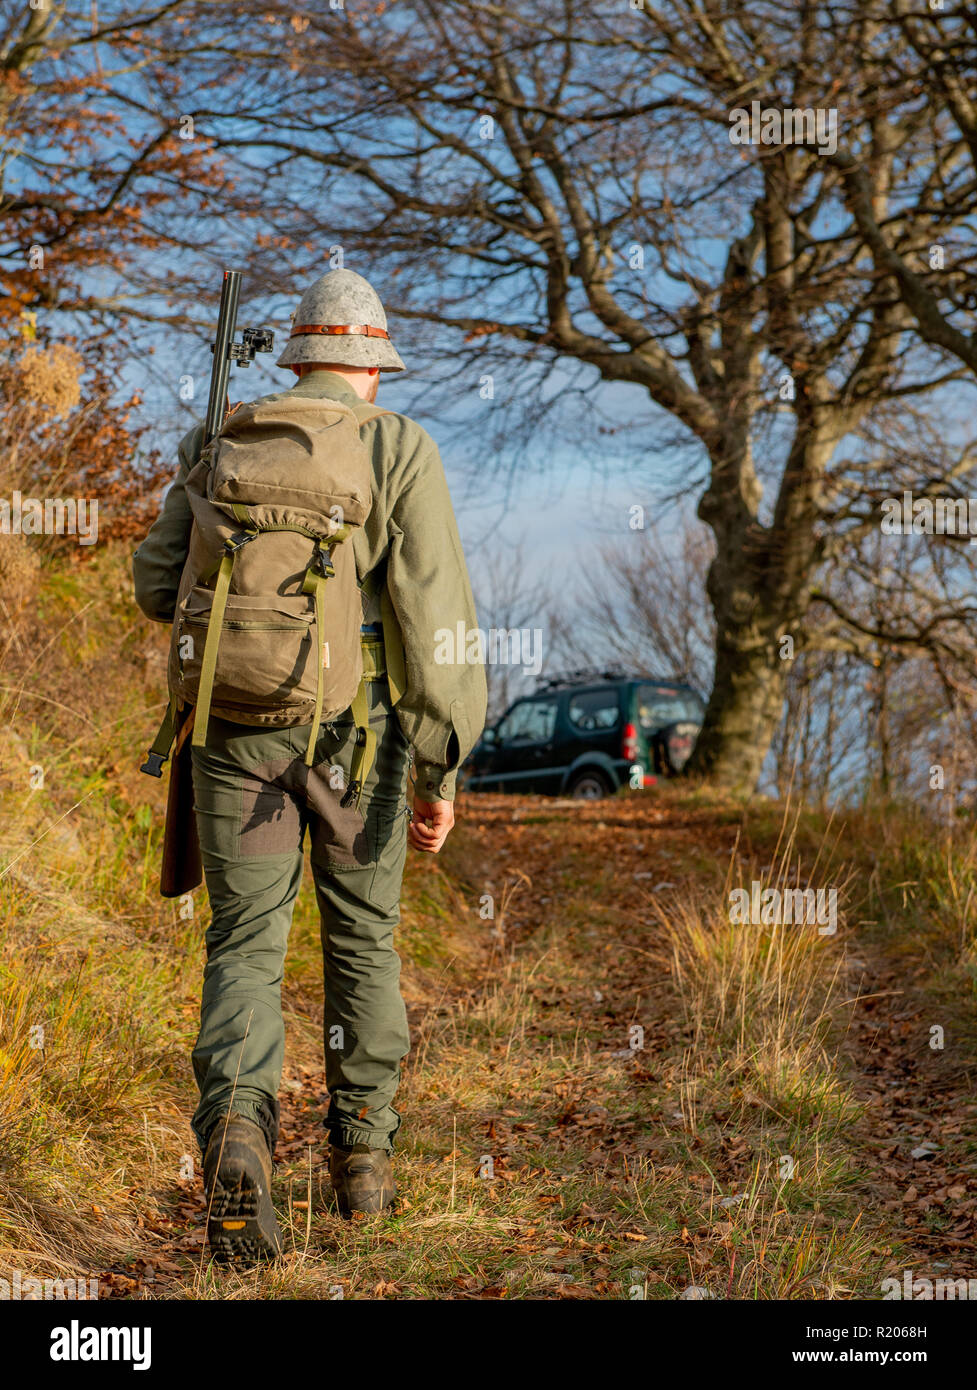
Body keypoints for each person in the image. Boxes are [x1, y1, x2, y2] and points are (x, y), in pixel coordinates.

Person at [132, 268, 486, 1262]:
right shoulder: (398, 445)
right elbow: (435, 621)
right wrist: (440, 763)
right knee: (362, 938)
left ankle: (238, 1141)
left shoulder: (223, 438)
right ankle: (361, 1170)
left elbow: (158, 585)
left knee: (244, 944)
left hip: (236, 726)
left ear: (294, 356)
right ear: (372, 368)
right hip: (361, 735)